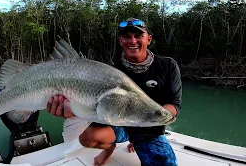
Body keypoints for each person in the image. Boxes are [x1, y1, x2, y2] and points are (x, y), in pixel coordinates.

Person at [46, 17, 182, 166]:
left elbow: (175, 105)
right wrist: (71, 111)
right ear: (120, 41)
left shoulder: (167, 65)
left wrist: (149, 120)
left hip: (149, 129)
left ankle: (138, 141)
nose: (132, 41)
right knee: (88, 137)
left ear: (148, 39)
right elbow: (93, 109)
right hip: (118, 124)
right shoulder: (110, 72)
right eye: (126, 36)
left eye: (138, 36)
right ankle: (109, 148)